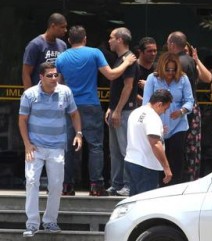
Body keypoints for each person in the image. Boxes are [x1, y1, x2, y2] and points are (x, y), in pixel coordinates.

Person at [55, 25, 136, 196]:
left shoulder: (61, 58)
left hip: (70, 105)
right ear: (85, 39)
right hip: (90, 104)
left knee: (68, 147)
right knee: (95, 146)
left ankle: (67, 185)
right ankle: (96, 185)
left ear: (69, 40)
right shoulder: (94, 53)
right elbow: (112, 75)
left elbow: (60, 84)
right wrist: (127, 62)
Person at [18, 62, 82, 237]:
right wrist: (27, 144)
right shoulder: (29, 94)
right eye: (50, 75)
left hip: (56, 147)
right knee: (32, 182)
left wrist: (79, 133)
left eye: (56, 75)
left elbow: (74, 114)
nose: (54, 78)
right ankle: (32, 224)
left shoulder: (65, 92)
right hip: (35, 147)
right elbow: (22, 120)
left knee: (55, 185)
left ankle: (50, 221)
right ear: (41, 77)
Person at [143, 52, 194, 186]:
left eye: (173, 69)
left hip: (178, 125)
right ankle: (160, 186)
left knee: (176, 156)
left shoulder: (183, 78)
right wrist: (156, 123)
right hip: (157, 124)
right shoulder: (152, 78)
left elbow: (189, 101)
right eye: (167, 69)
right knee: (159, 157)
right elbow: (146, 103)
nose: (170, 73)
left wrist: (182, 111)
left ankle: (176, 186)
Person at [167, 32, 212, 181]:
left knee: (177, 148)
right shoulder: (189, 62)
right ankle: (189, 178)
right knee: (190, 149)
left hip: (179, 111)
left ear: (172, 45)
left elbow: (207, 78)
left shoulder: (179, 63)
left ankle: (178, 181)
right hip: (191, 108)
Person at [105, 27, 139, 196]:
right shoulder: (120, 60)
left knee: (126, 149)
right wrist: (111, 108)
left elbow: (128, 87)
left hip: (125, 111)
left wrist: (118, 110)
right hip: (116, 110)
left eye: (111, 37)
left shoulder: (130, 60)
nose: (109, 40)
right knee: (115, 151)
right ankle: (116, 183)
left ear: (119, 39)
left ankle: (128, 185)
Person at [125, 89, 173, 196]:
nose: (164, 112)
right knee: (144, 202)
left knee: (134, 200)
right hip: (146, 166)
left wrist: (159, 130)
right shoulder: (153, 117)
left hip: (131, 161)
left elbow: (140, 132)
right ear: (159, 104)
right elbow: (155, 144)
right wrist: (166, 167)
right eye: (165, 109)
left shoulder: (136, 112)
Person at [22, 13, 67, 90]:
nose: (65, 30)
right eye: (62, 27)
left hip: (58, 93)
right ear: (53, 26)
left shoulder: (63, 45)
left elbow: (63, 71)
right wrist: (29, 96)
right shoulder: (35, 45)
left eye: (66, 27)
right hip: (40, 93)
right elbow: (26, 73)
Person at [136, 37, 158, 106]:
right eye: (149, 51)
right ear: (140, 51)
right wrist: (146, 103)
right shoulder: (133, 68)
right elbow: (129, 91)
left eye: (155, 50)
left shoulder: (158, 68)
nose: (153, 54)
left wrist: (148, 86)